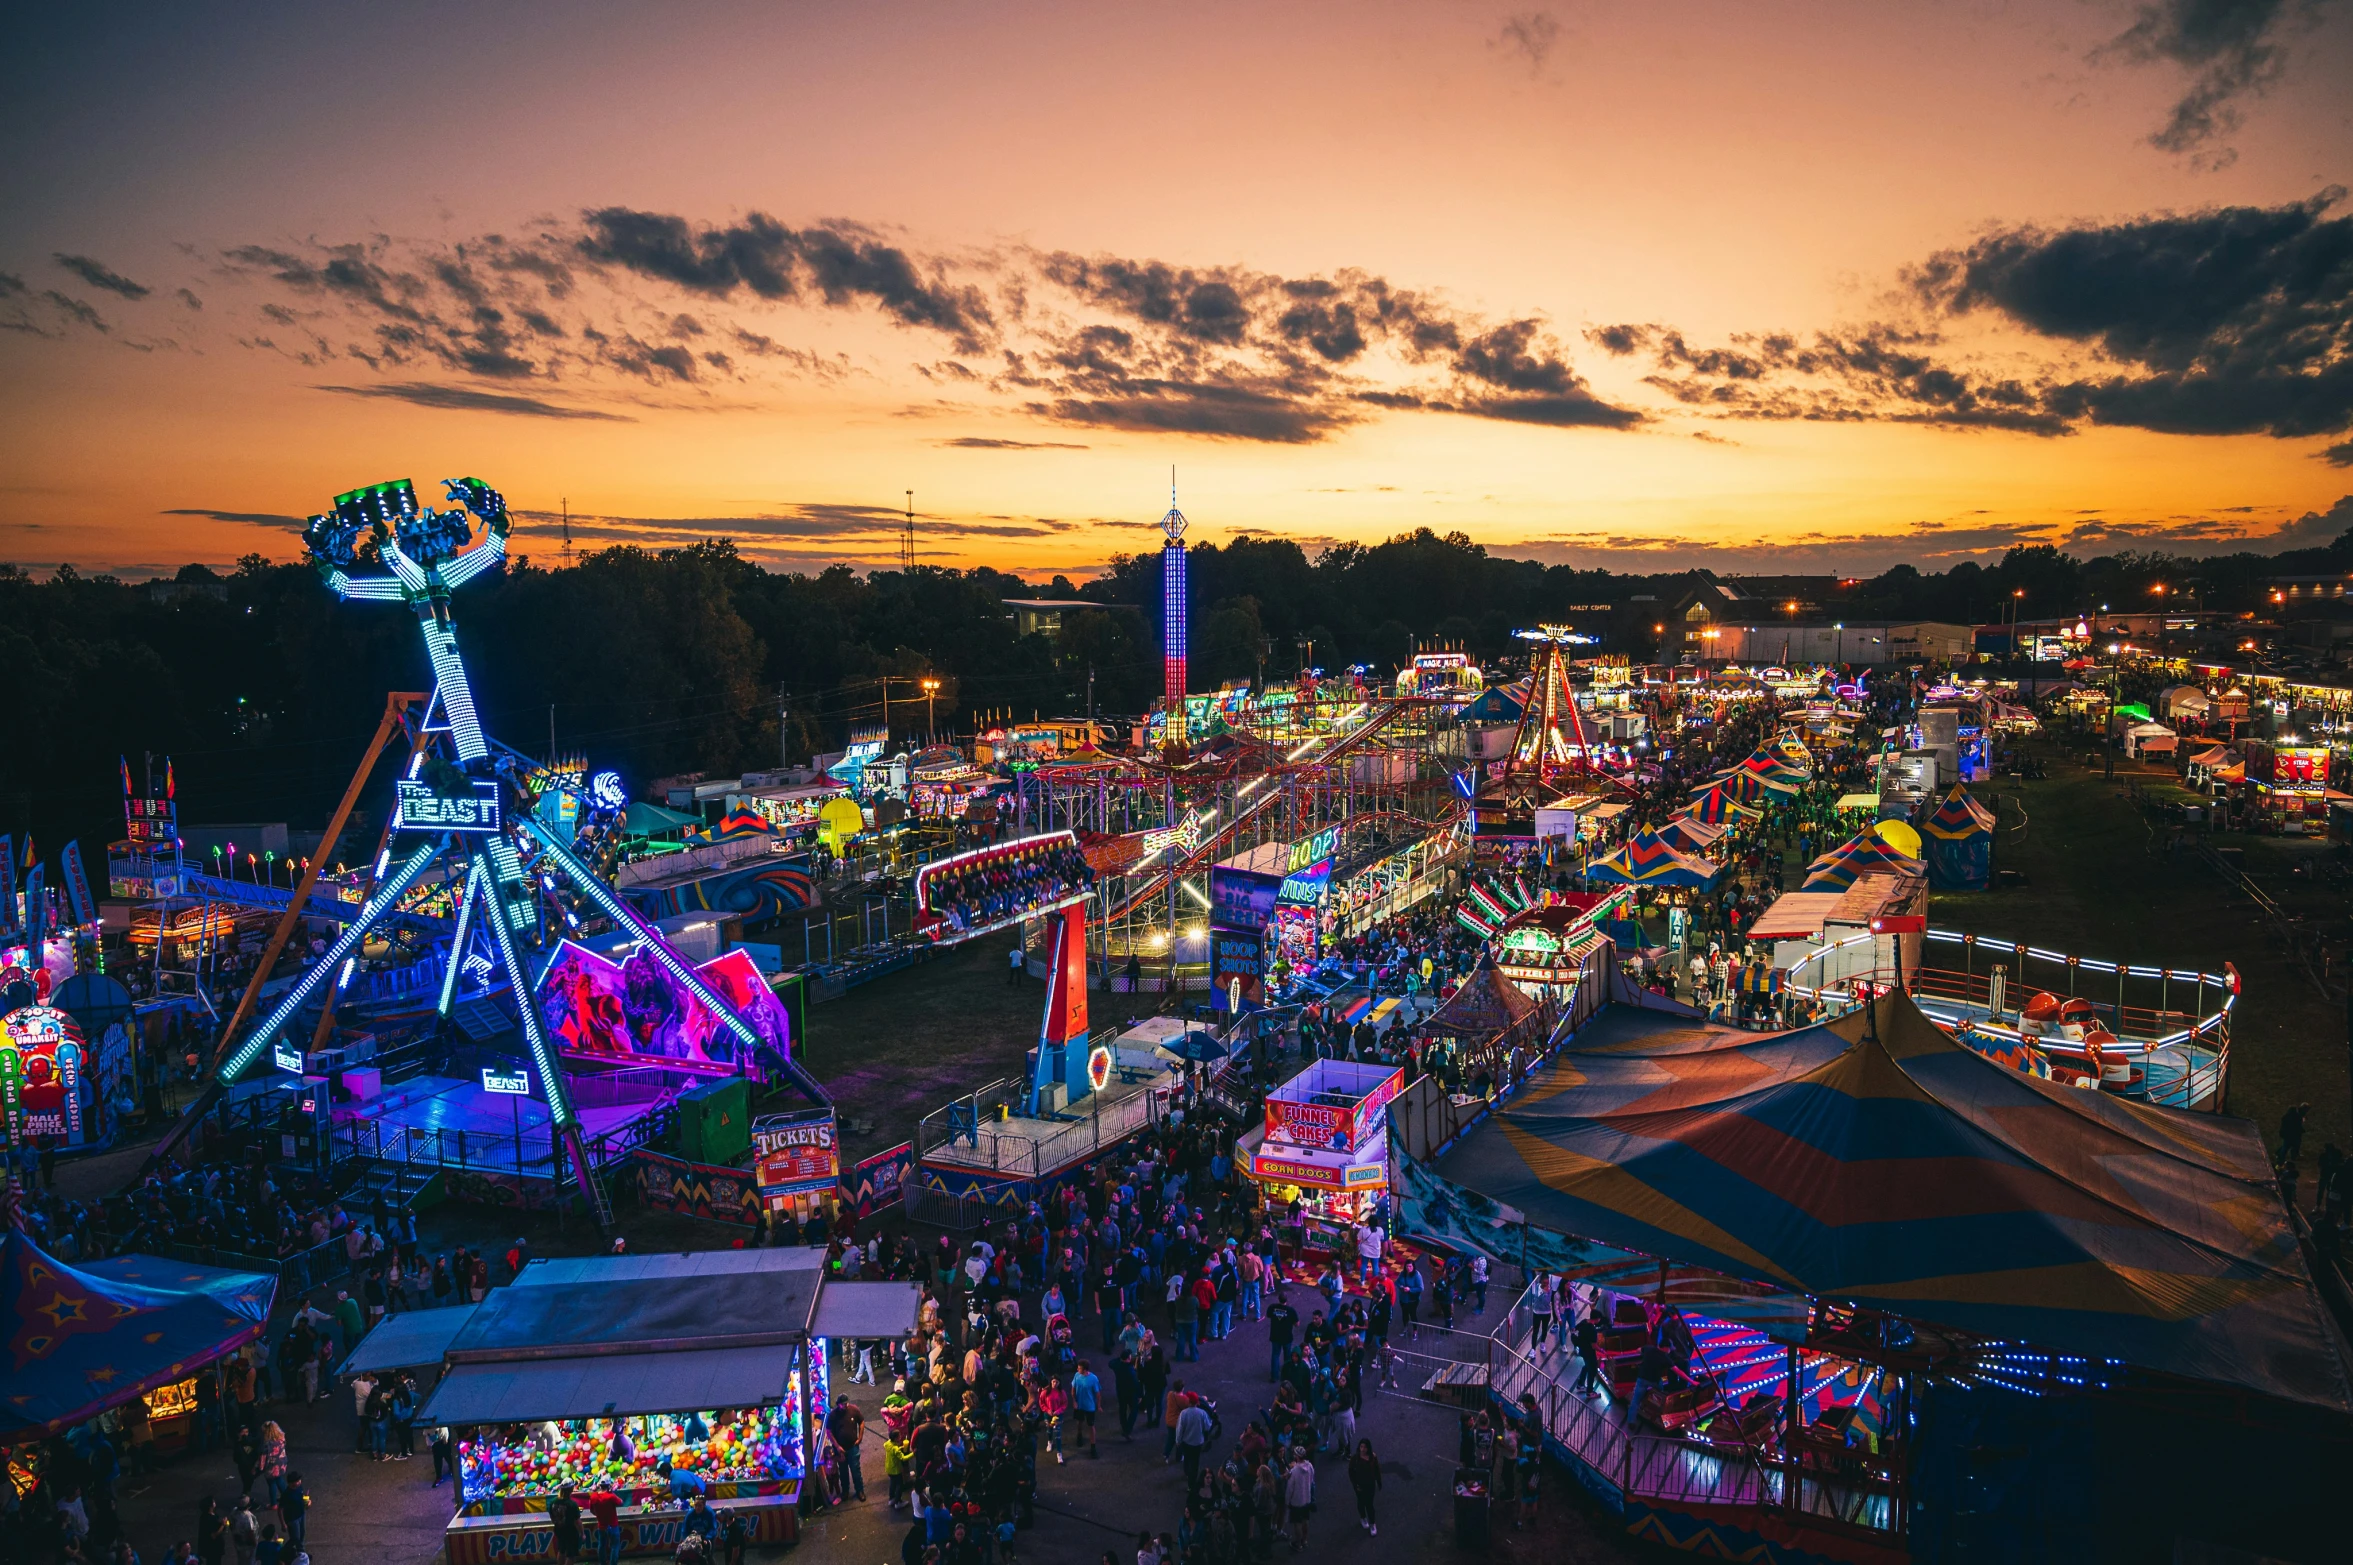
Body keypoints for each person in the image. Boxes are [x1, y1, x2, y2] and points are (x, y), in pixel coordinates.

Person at [826, 1397, 867, 1501]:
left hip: (853, 1447)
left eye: (846, 1404)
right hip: (840, 1450)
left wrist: (860, 1437)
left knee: (856, 1471)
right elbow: (829, 1431)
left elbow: (861, 1421)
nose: (845, 1406)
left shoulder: (853, 1410)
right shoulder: (833, 1415)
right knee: (843, 1472)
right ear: (838, 1404)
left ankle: (860, 1491)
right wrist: (837, 1446)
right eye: (843, 1404)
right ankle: (845, 1492)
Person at [1281, 1446, 1316, 1554]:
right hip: (1307, 1498)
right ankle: (1304, 1540)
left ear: (1296, 1456)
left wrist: (1287, 1501)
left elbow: (1290, 1488)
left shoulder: (1294, 1471)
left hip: (1296, 1501)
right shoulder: (1310, 1466)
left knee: (1297, 1523)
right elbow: (1312, 1480)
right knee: (1305, 1520)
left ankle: (1298, 1543)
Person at [1347, 1438, 1382, 1536]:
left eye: (1365, 1447)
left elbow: (1377, 1470)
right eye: (1361, 1447)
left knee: (1370, 1505)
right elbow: (1351, 1472)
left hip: (1370, 1485)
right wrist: (1355, 1484)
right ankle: (1363, 1517)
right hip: (1359, 1486)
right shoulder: (1355, 1459)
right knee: (1361, 1502)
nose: (1363, 1449)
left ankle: (1372, 1523)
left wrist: (1379, 1481)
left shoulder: (1373, 1457)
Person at [1068, 1359, 1102, 1457]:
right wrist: (1074, 1401)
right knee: (1079, 1422)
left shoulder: (1093, 1379)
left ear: (1085, 1370)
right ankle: (1079, 1436)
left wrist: (1098, 1405)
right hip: (1079, 1406)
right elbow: (1073, 1390)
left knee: (1091, 1426)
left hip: (1089, 1406)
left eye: (1079, 1368)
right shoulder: (1076, 1376)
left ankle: (1093, 1447)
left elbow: (1098, 1394)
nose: (1077, 1369)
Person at [548, 1484, 583, 1565]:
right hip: (570, 1531)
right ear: (570, 1490)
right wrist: (582, 1533)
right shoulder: (572, 1504)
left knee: (561, 1550)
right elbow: (578, 1521)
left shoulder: (553, 1502)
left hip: (558, 1529)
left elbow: (552, 1517)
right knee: (571, 1555)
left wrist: (557, 1523)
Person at [1266, 1295, 1298, 1382]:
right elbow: (1297, 1324)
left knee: (1275, 1355)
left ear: (1278, 1299)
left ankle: (1274, 1376)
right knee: (1287, 1357)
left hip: (1275, 1336)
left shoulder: (1272, 1307)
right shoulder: (1290, 1310)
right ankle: (1286, 1376)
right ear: (1286, 1300)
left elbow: (1268, 1315)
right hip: (1287, 1337)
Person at [587, 1485, 622, 1565]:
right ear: (608, 1486)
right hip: (613, 1525)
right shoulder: (611, 1496)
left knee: (602, 1545)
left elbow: (591, 1510)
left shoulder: (593, 1496)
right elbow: (621, 1502)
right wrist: (612, 1492)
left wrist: (599, 1516)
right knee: (614, 1546)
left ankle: (603, 1563)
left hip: (602, 1526)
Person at [276, 1475, 308, 1551]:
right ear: (291, 1483)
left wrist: (307, 1503)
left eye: (299, 1480)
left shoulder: (299, 1487)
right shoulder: (286, 1494)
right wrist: (283, 1523)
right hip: (292, 1519)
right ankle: (283, 1551)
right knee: (295, 1538)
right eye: (297, 1481)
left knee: (302, 1534)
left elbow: (301, 1498)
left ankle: (301, 1552)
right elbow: (280, 1509)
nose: (299, 1482)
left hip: (301, 1515)